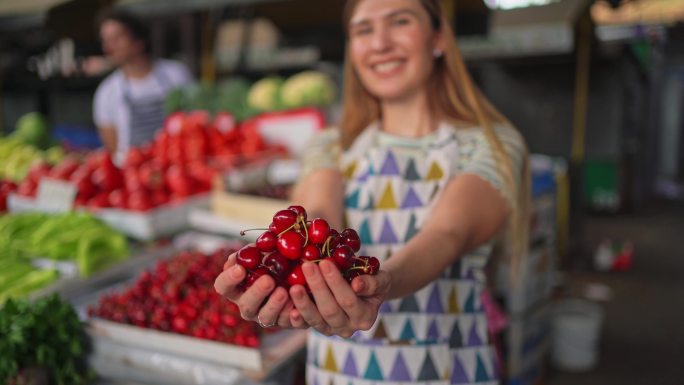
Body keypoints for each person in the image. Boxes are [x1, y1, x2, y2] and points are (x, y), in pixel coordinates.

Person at [215, 0, 530, 384]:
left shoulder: (492, 144)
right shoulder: (330, 144)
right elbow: (316, 215)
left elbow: (448, 234)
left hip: (447, 370)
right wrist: (288, 270)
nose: (379, 43)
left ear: (438, 37)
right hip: (338, 373)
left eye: (400, 21)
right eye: (364, 30)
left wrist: (383, 282)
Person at [93, 10, 193, 165]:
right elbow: (114, 152)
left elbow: (195, 124)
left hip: (178, 166)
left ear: (138, 40)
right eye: (106, 41)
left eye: (117, 38)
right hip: (136, 176)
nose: (109, 47)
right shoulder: (106, 92)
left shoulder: (176, 74)